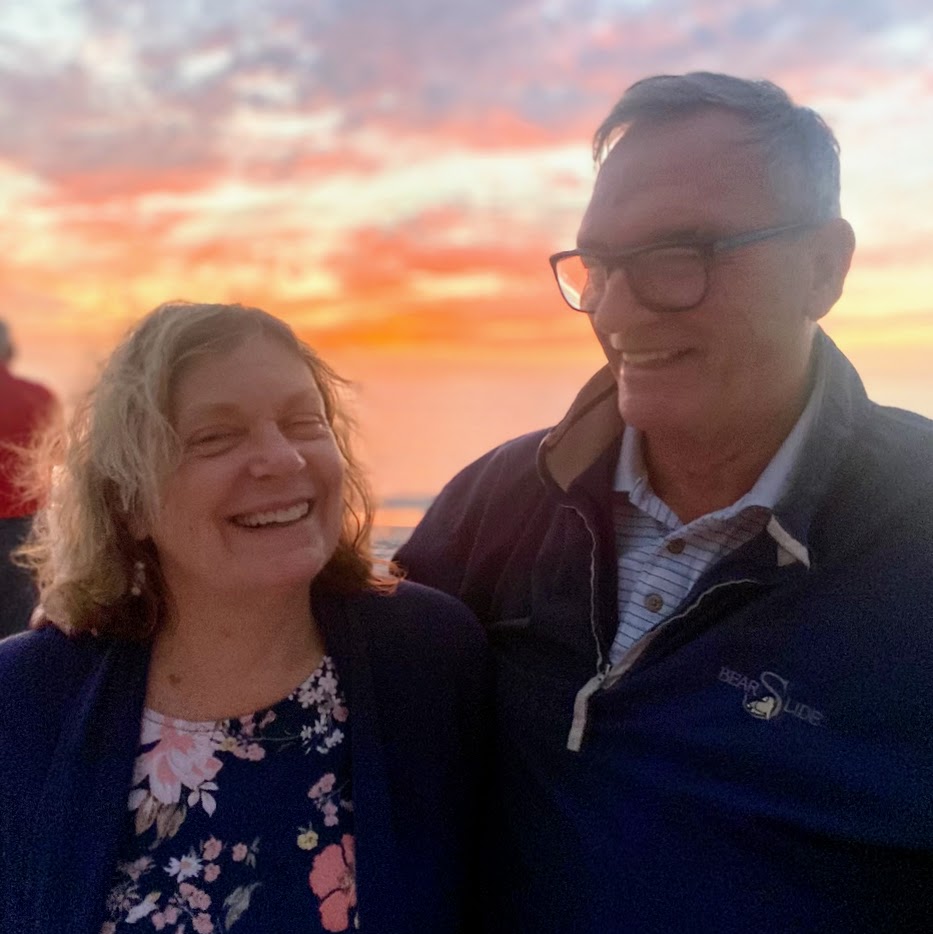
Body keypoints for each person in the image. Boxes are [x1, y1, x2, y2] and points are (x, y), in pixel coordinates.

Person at [396, 72, 933, 932]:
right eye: (599, 265)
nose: (617, 311)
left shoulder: (916, 537)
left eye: (677, 255)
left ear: (823, 269)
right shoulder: (501, 501)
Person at [0, 301, 488, 934]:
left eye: (304, 421)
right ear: (129, 503)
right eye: (214, 438)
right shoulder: (27, 700)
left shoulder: (430, 658)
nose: (282, 460)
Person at [0, 318, 60, 637]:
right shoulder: (39, 396)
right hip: (24, 529)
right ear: (10, 350)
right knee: (17, 632)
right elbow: (58, 455)